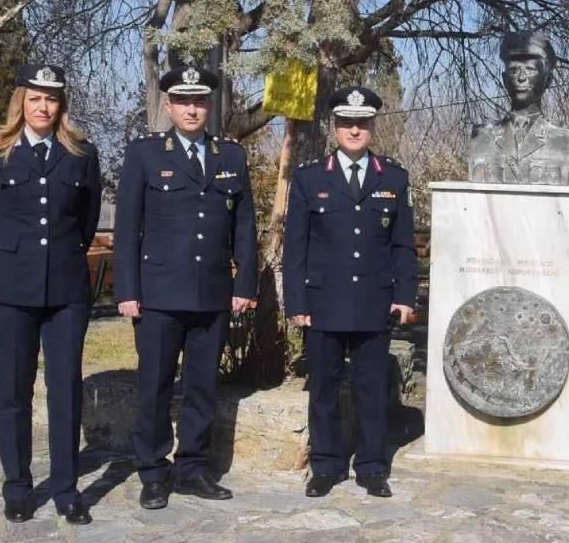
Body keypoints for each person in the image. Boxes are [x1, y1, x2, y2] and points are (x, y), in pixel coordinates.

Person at [113, 64, 258, 510]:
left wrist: (244, 284)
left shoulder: (230, 156)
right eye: (183, 101)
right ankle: (154, 473)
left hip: (212, 291)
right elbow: (127, 228)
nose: (191, 109)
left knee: (202, 387)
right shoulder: (145, 154)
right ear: (169, 106)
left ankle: (193, 468)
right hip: (157, 293)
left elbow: (245, 225)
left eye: (199, 102)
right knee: (155, 385)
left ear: (208, 106)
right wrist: (127, 291)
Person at [0, 64, 102, 525]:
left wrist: (55, 259)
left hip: (66, 290)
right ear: (20, 103)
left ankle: (66, 488)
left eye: (52, 99)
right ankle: (18, 486)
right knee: (13, 391)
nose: (43, 107)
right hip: (10, 290)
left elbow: (85, 223)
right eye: (35, 98)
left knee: (65, 389)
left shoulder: (81, 153)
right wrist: (11, 263)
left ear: (61, 105)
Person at [282, 86, 419, 498]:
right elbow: (296, 247)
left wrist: (405, 295)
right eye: (346, 123)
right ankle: (325, 466)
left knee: (372, 389)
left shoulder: (393, 178)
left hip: (374, 303)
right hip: (323, 303)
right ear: (334, 127)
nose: (354, 130)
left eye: (362, 123)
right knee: (323, 389)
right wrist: (297, 302)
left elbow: (403, 245)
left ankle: (373, 466)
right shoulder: (309, 178)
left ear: (372, 126)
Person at [469, 31, 569, 184]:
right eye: (513, 70)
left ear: (548, 80)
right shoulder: (481, 136)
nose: (521, 77)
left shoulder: (563, 139)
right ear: (505, 80)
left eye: (530, 70)